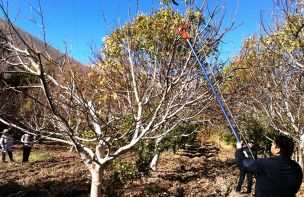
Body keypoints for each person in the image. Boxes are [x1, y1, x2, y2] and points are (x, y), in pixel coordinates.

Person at [236, 135, 303, 197]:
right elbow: (295, 188)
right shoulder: (297, 168)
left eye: (273, 143)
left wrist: (239, 149)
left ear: (278, 150)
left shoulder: (264, 163)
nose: (271, 144)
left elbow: (242, 164)